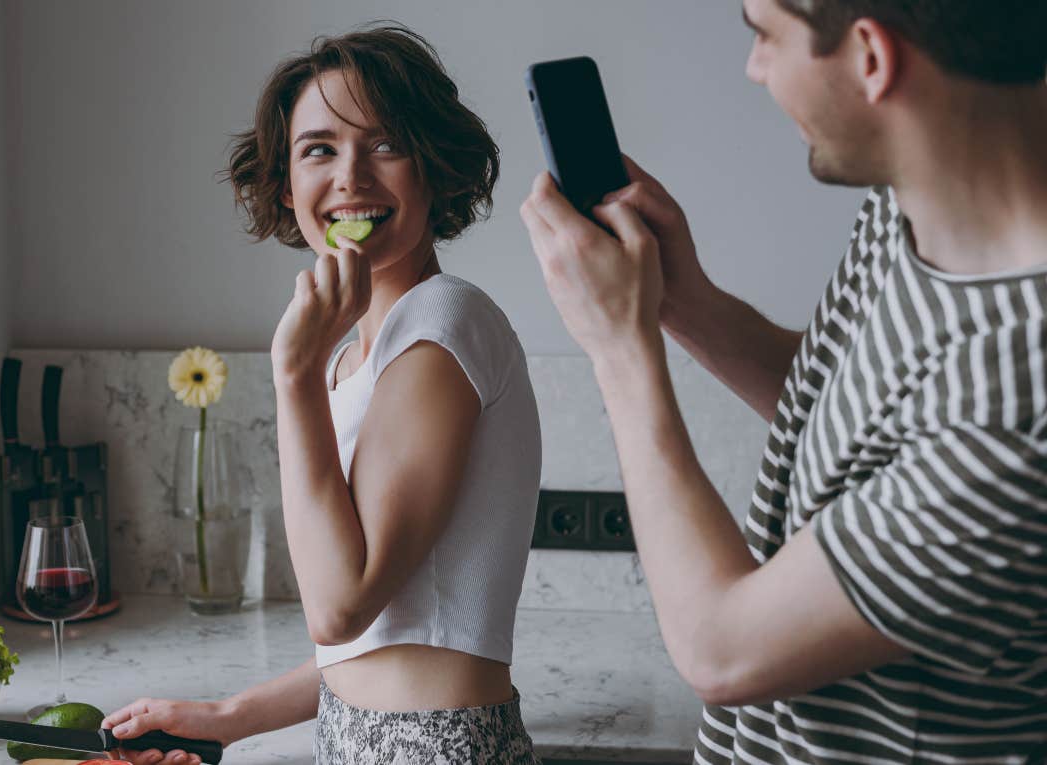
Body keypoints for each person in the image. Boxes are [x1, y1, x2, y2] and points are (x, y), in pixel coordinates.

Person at [520, 0, 1047, 761]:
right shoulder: (910, 202)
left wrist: (619, 350)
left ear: (872, 57)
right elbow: (860, 421)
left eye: (764, 35)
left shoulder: (1021, 409)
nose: (754, 66)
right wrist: (684, 303)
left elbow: (721, 648)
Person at [104, 25, 544, 764]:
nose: (350, 176)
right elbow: (380, 642)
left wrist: (293, 375)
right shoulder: (354, 356)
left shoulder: (444, 324)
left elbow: (341, 605)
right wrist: (227, 715)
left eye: (385, 145)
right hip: (361, 736)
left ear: (432, 169)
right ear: (286, 184)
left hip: (437, 747)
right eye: (319, 149)